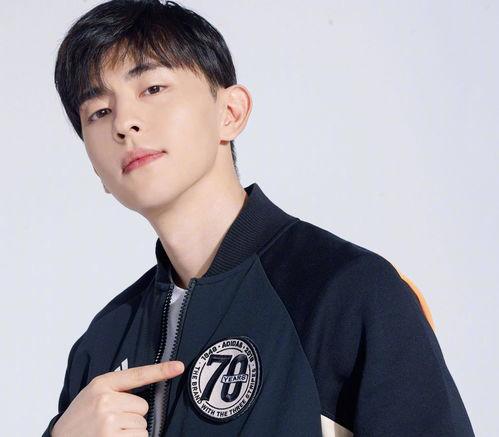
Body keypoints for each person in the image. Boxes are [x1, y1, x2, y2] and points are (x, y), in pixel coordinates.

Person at [43, 1, 475, 436]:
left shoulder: (349, 292)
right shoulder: (101, 345)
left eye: (152, 88)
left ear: (230, 112)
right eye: (99, 112)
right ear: (95, 167)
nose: (124, 123)